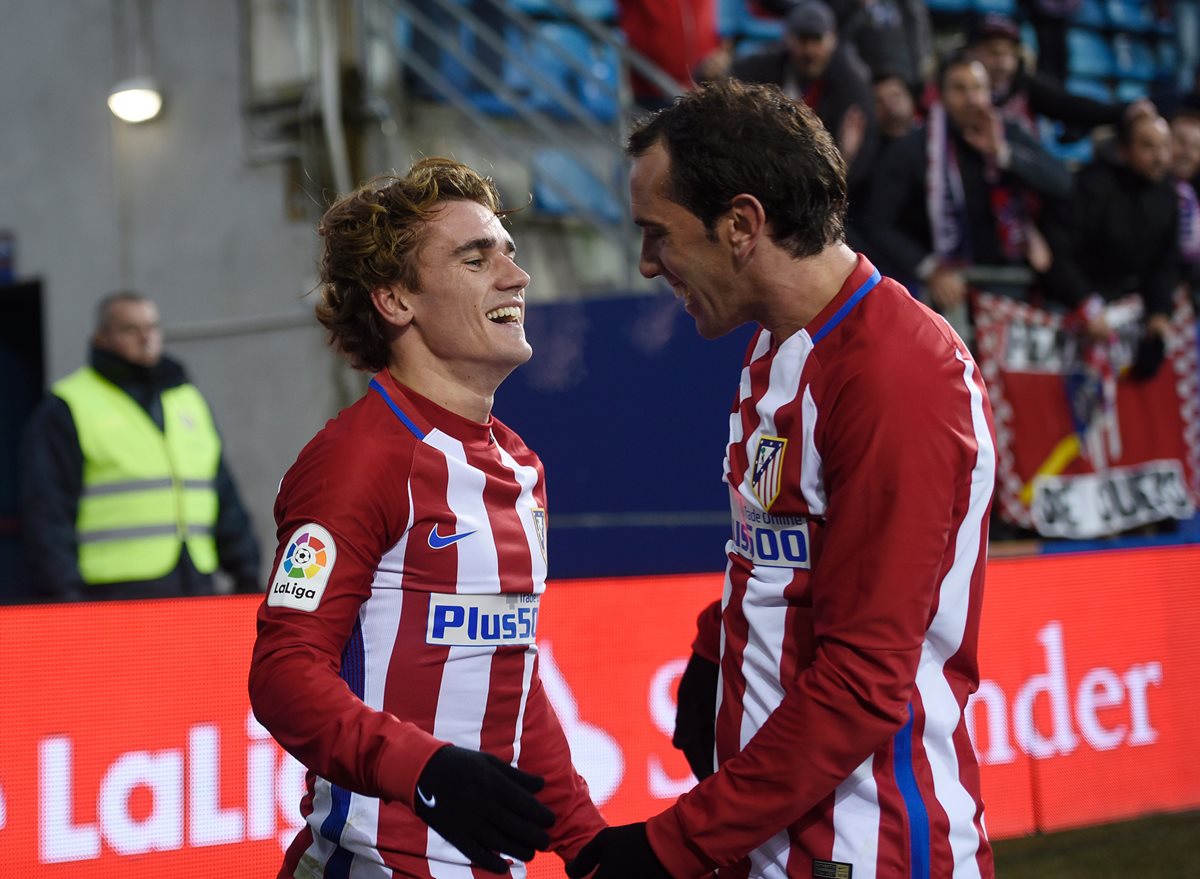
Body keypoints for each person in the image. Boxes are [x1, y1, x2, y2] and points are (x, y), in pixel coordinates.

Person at [567, 79, 997, 879]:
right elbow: (787, 546)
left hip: (867, 848)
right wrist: (711, 649)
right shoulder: (778, 342)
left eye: (659, 235)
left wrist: (672, 844)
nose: (647, 263)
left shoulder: (898, 376)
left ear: (741, 225)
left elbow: (867, 678)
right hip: (770, 834)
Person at [247, 158, 605, 878]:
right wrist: (428, 769)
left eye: (509, 252)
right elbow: (284, 674)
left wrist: (585, 840)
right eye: (478, 258)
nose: (517, 276)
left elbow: (510, 675)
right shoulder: (355, 459)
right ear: (395, 300)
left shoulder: (520, 466)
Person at [19, 291, 260, 601]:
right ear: (101, 338)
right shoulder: (68, 406)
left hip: (194, 581)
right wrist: (64, 591)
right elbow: (47, 511)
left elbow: (222, 492)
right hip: (113, 591)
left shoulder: (186, 399)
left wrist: (246, 570)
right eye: (130, 329)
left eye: (153, 327)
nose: (147, 337)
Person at [865, 53, 1072, 336]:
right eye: (959, 89)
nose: (971, 98)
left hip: (1011, 285)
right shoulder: (913, 148)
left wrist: (1003, 154)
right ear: (940, 94)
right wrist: (930, 268)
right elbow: (880, 224)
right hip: (944, 294)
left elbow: (1062, 184)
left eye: (977, 88)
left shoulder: (1009, 135)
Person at [730, 0, 878, 182]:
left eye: (817, 40)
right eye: (802, 40)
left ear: (833, 39)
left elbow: (864, 157)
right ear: (787, 38)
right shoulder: (763, 67)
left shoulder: (852, 82)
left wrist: (843, 160)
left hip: (822, 184)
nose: (809, 51)